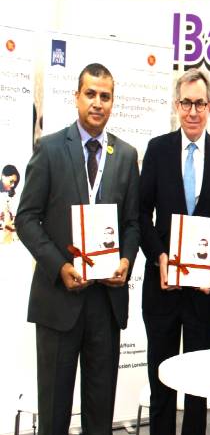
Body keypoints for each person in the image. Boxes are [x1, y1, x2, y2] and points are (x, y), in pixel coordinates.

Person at [16, 63, 140, 434]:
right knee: (53, 417)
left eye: (105, 96)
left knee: (100, 419)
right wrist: (59, 266)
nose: (97, 103)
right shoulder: (50, 148)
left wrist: (125, 260)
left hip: (106, 303)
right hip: (59, 301)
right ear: (77, 97)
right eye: (91, 94)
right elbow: (26, 218)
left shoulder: (126, 155)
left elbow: (133, 223)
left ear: (113, 102)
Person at [139, 68, 210, 435]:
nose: (192, 111)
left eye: (199, 103)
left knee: (198, 383)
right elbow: (140, 213)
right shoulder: (158, 150)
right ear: (176, 106)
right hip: (162, 287)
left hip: (203, 293)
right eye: (186, 103)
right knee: (162, 380)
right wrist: (159, 256)